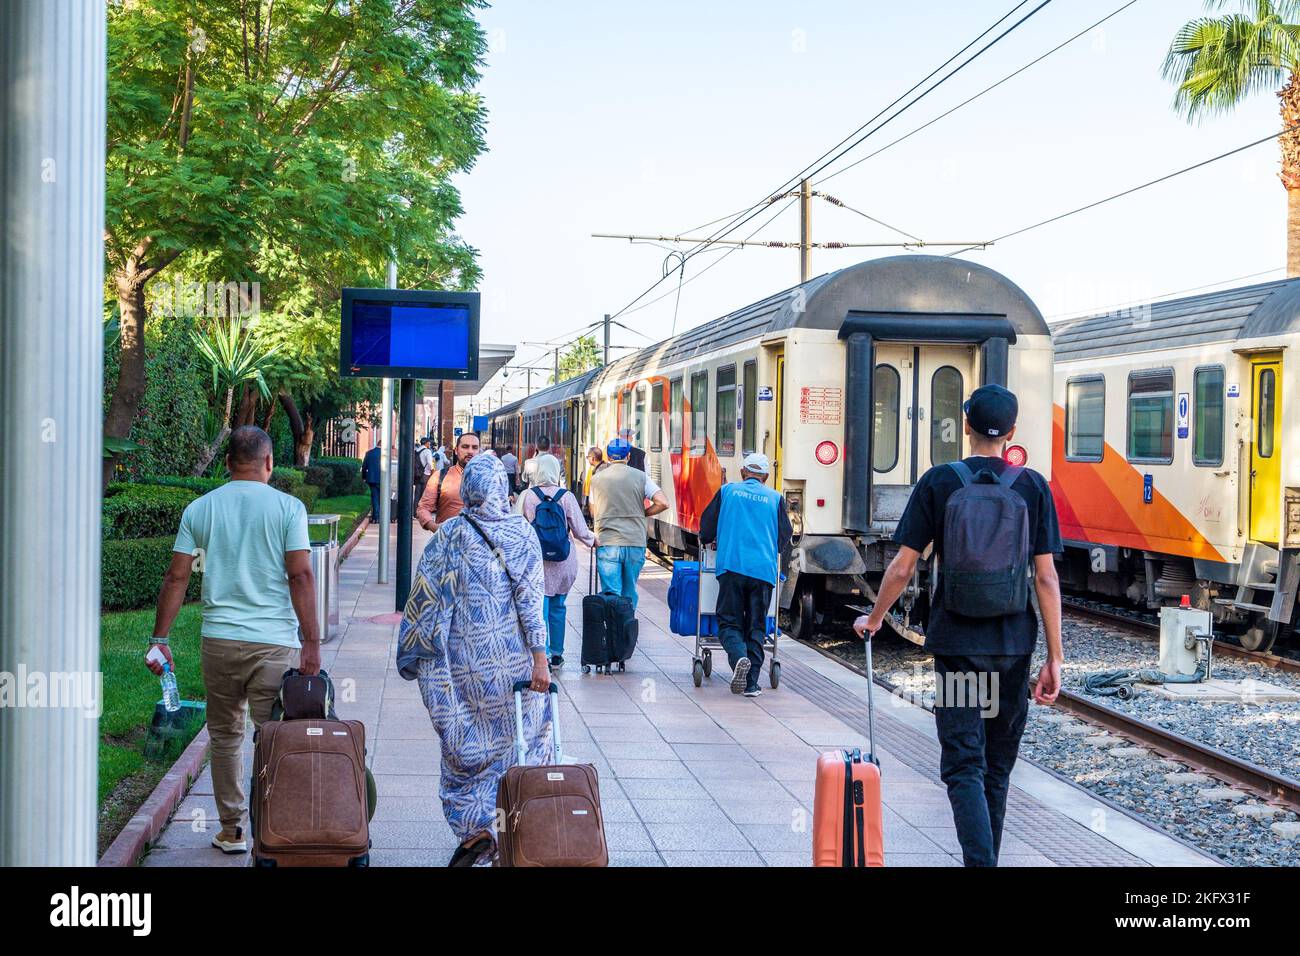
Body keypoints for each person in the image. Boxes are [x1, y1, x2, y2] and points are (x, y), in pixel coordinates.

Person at [854, 384, 1063, 868]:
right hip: (1013, 648)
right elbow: (1047, 578)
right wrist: (1055, 656)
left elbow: (903, 566)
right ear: (1012, 433)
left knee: (965, 761)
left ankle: (980, 863)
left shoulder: (939, 481)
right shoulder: (1031, 486)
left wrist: (876, 617)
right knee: (997, 765)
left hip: (958, 646)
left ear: (965, 426)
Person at [145, 426, 320, 855]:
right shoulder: (288, 508)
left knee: (225, 737)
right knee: (274, 736)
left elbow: (177, 576)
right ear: (269, 462)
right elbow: (300, 574)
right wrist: (311, 642)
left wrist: (160, 637)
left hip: (219, 642)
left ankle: (232, 831)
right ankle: (274, 829)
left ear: (227, 464)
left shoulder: (200, 508)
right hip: (274, 643)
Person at [397, 453, 553, 867]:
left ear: (467, 492)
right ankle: (510, 828)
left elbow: (423, 604)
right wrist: (541, 658)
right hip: (512, 667)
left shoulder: (449, 535)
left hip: (462, 666)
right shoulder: (522, 534)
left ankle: (478, 831)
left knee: (466, 752)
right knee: (518, 748)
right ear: (502, 489)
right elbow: (530, 604)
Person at [698, 452, 791, 698]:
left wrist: (707, 540)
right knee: (757, 625)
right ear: (766, 477)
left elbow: (706, 527)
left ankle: (739, 657)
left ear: (742, 473)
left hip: (731, 567)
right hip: (762, 572)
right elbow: (785, 535)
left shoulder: (728, 491)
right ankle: (751, 684)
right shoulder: (775, 498)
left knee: (729, 621)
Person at [520, 453, 596, 669]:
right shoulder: (566, 496)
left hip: (537, 559)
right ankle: (557, 654)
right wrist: (593, 540)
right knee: (558, 607)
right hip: (563, 560)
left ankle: (540, 654)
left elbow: (521, 526)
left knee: (539, 608)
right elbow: (581, 530)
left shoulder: (529, 496)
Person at [588, 437, 668, 610]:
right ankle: (626, 629)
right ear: (629, 456)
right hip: (634, 542)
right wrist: (643, 513)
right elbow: (663, 502)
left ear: (608, 457)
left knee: (611, 593)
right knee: (629, 591)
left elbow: (594, 512)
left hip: (607, 542)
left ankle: (612, 632)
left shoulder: (596, 479)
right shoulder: (641, 477)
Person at [416, 431, 480, 532]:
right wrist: (435, 527)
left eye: (475, 448)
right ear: (456, 450)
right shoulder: (440, 476)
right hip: (448, 543)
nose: (470, 451)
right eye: (465, 446)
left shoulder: (489, 480)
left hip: (480, 545)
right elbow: (423, 508)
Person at [582, 445, 606, 510]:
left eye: (588, 457)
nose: (587, 459)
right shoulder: (607, 467)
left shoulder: (597, 473)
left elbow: (593, 496)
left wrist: (592, 511)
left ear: (593, 458)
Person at [362, 442, 382, 521]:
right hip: (383, 479)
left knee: (374, 497)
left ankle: (375, 517)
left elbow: (364, 467)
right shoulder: (385, 454)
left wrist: (364, 477)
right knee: (382, 498)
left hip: (372, 479)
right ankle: (380, 516)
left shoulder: (369, 453)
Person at [415, 437, 435, 512]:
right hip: (425, 474)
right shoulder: (427, 451)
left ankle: (415, 511)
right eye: (429, 442)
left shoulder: (417, 450)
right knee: (424, 494)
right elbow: (430, 463)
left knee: (417, 494)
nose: (429, 444)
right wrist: (433, 471)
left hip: (417, 474)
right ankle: (422, 511)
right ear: (426, 443)